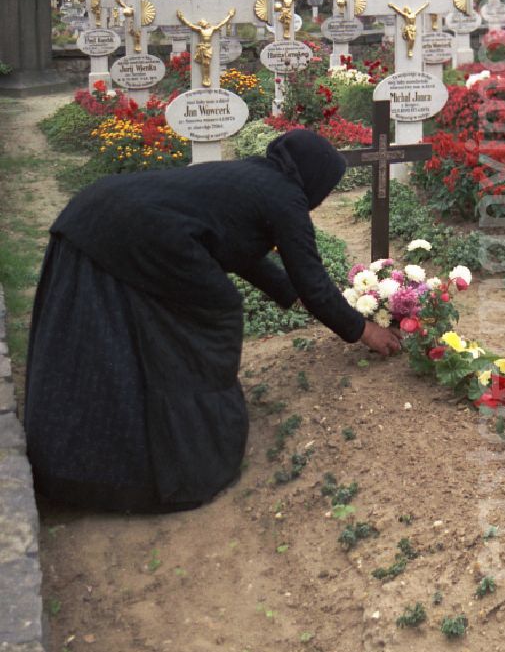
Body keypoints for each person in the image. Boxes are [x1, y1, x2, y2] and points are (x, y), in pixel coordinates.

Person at [23, 129, 400, 514]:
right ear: (314, 177)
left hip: (93, 214)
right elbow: (314, 280)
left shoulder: (254, 177)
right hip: (129, 232)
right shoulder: (285, 197)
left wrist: (292, 293)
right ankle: (193, 445)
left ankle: (106, 446)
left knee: (155, 323)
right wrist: (364, 330)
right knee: (214, 312)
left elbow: (239, 249)